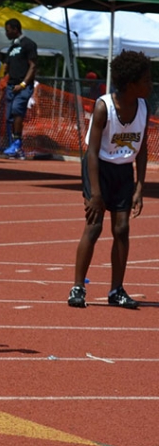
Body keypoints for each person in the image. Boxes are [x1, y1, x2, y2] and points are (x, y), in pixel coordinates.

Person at [69, 50, 152, 310]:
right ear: (130, 84)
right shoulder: (104, 107)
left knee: (122, 228)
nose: (151, 84)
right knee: (94, 227)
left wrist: (140, 186)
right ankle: (78, 287)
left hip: (124, 169)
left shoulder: (143, 107)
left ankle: (116, 290)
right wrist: (95, 193)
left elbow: (142, 148)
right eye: (146, 80)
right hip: (99, 168)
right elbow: (91, 152)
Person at [2, 18, 37, 159]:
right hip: (11, 86)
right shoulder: (12, 47)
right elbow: (6, 67)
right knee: (9, 117)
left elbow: (33, 66)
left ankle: (16, 144)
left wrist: (23, 84)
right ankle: (16, 148)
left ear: (15, 29)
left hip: (23, 86)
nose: (6, 33)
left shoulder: (28, 44)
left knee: (17, 111)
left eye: (8, 30)